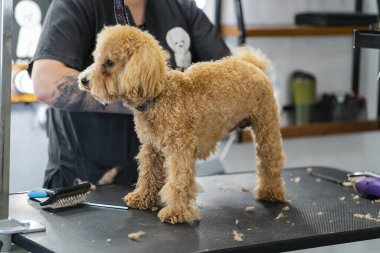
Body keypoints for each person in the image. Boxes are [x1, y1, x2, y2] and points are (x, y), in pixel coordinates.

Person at [29, 0, 231, 188]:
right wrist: (142, 99)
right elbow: (46, 83)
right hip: (83, 186)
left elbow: (228, 76)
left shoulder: (182, 8)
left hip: (161, 186)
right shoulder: (78, 4)